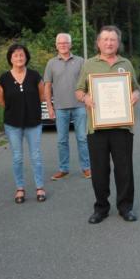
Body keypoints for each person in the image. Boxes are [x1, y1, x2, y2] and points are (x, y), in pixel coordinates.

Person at [75, 25, 140, 224]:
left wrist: (134, 96)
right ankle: (101, 208)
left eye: (113, 39)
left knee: (124, 169)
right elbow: (78, 90)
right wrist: (85, 98)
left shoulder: (126, 64)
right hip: (97, 128)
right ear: (98, 43)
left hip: (122, 126)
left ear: (118, 43)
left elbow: (136, 89)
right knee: (99, 170)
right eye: (105, 39)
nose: (109, 43)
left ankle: (125, 207)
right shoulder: (89, 64)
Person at [0, 43, 47, 203]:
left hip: (33, 122)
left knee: (36, 156)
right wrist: (16, 110)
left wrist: (29, 108)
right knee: (17, 157)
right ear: (10, 58)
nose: (19, 58)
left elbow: (42, 96)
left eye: (22, 55)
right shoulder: (3, 78)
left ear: (26, 57)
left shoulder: (34, 76)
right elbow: (1, 100)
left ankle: (40, 187)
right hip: (13, 124)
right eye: (15, 55)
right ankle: (20, 189)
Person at [44, 33, 91, 181]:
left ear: (70, 45)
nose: (63, 45)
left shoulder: (81, 61)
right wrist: (50, 107)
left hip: (80, 106)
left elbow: (88, 82)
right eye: (60, 43)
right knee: (61, 140)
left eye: (66, 43)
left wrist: (88, 100)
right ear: (56, 45)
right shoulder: (51, 63)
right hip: (60, 107)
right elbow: (47, 86)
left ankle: (86, 168)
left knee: (82, 138)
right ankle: (63, 169)